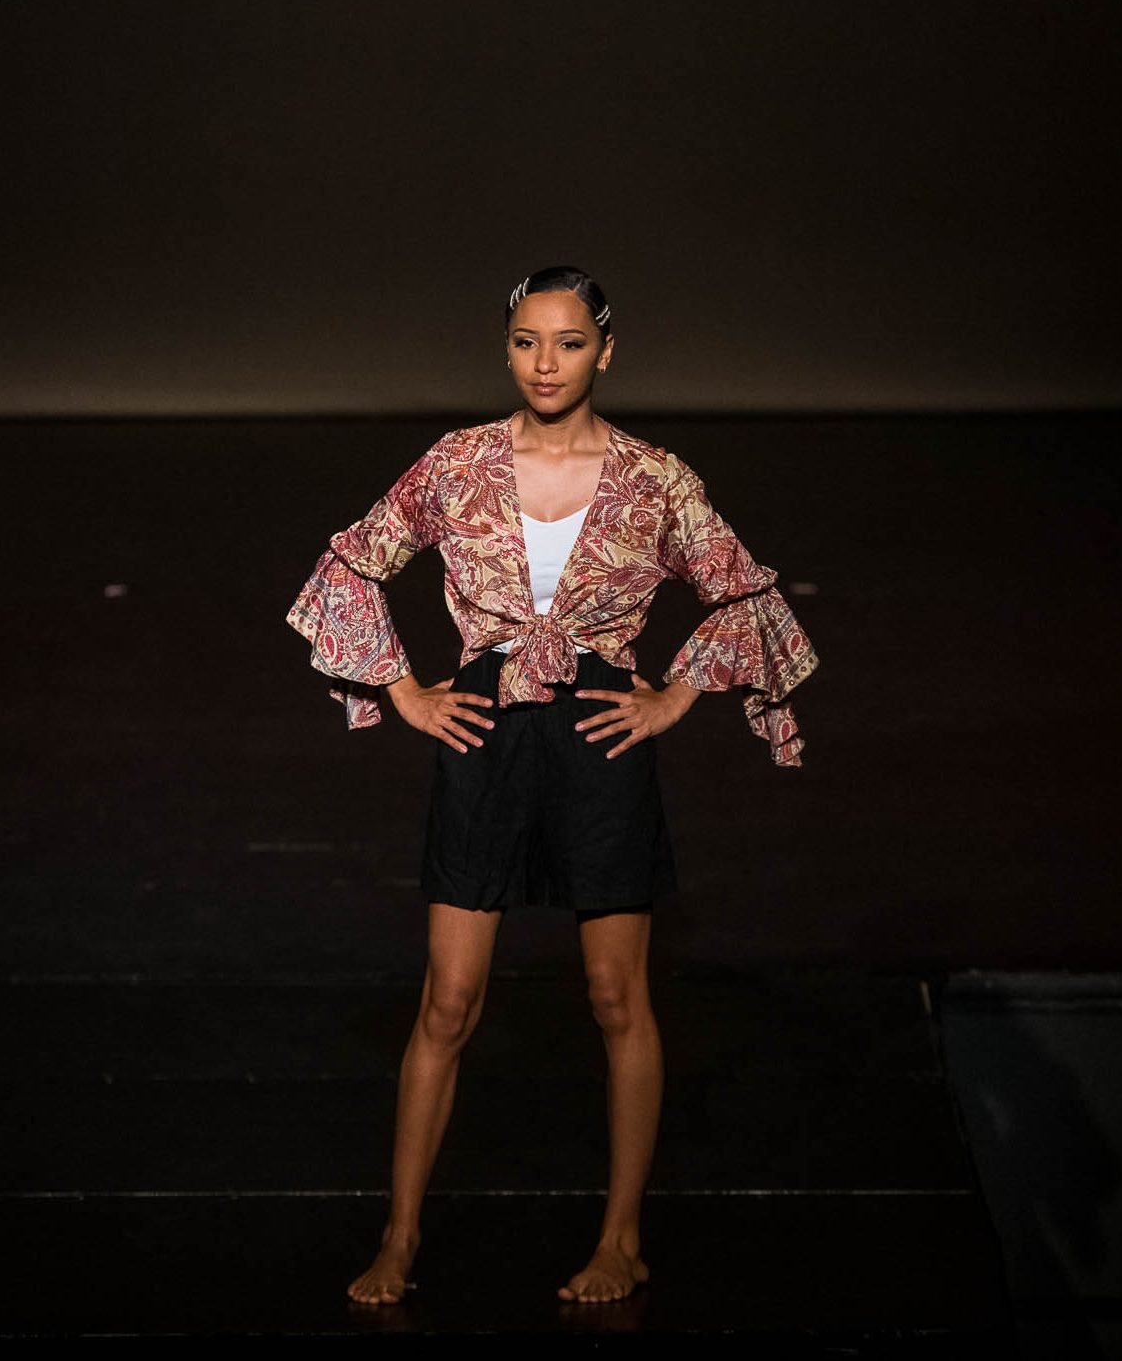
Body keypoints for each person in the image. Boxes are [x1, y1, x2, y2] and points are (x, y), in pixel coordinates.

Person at [285, 265, 819, 1305]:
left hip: (599, 734)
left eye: (569, 342)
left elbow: (744, 591)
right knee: (448, 999)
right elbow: (352, 561)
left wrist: (672, 697)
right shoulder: (458, 463)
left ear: (605, 351)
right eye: (527, 341)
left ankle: (621, 1240)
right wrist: (404, 692)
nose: (545, 363)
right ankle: (400, 1235)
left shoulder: (654, 478)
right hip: (481, 729)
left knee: (616, 996)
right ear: (506, 347)